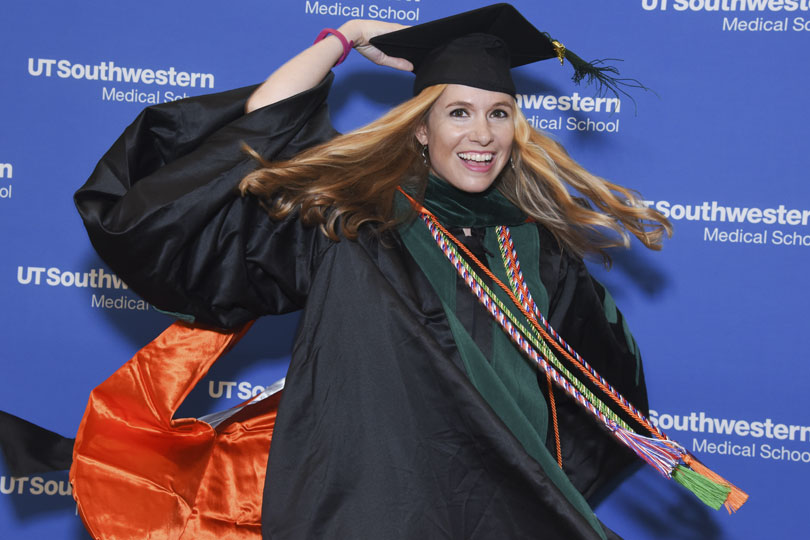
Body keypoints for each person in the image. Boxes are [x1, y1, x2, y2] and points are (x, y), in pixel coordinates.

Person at [72, 4, 674, 539]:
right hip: (375, 502)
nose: (481, 134)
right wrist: (348, 35)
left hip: (501, 499)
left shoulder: (536, 248)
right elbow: (262, 122)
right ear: (420, 128)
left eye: (499, 114)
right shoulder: (355, 223)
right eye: (457, 112)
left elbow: (598, 381)